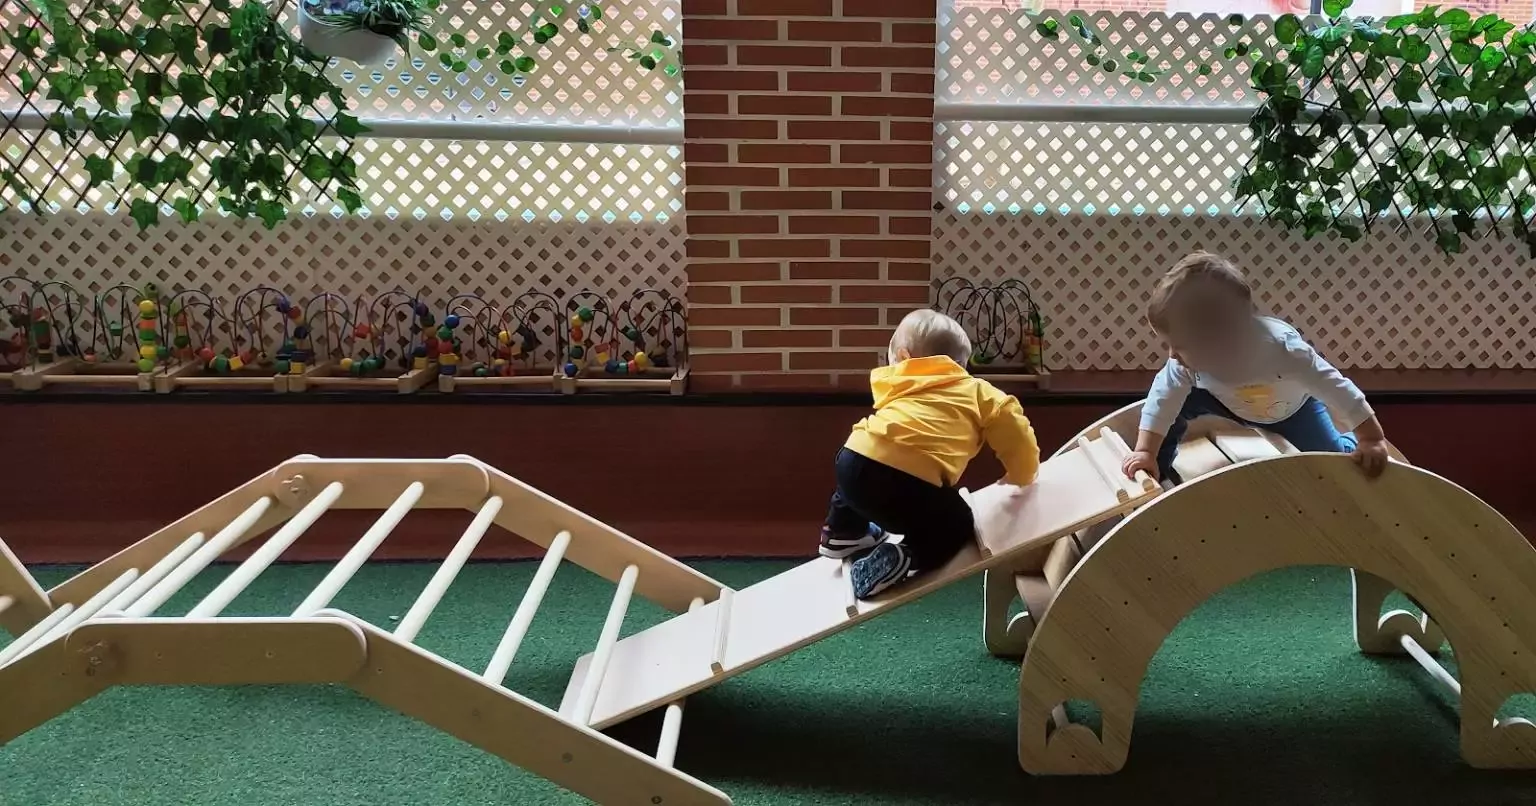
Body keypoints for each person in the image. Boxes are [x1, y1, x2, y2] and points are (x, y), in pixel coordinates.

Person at [820, 309, 1041, 600]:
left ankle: (842, 531)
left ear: (904, 356)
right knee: (958, 522)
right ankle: (908, 556)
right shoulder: (979, 392)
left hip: (853, 455)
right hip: (907, 481)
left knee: (866, 469)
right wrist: (1022, 473)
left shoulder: (902, 383)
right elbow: (1016, 431)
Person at [1120, 251, 1391, 484]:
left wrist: (1370, 437)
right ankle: (1159, 467)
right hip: (1222, 401)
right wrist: (1145, 450)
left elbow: (1338, 389)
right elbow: (1162, 401)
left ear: (1221, 341)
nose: (1172, 356)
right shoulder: (1186, 363)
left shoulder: (1284, 352)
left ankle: (1351, 447)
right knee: (1175, 405)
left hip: (1290, 409)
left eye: (1179, 346)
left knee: (1329, 453)